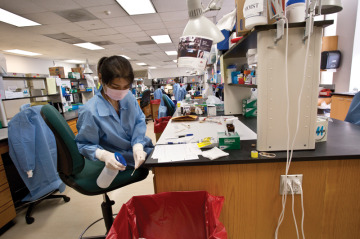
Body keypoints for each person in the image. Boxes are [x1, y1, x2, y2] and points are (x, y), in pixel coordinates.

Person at [75, 56, 154, 173]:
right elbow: (84, 144)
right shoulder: (90, 111)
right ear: (101, 79)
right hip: (118, 159)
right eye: (115, 87)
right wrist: (103, 155)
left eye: (126, 87)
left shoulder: (129, 98)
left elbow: (139, 120)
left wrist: (138, 145)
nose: (121, 92)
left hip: (141, 149)